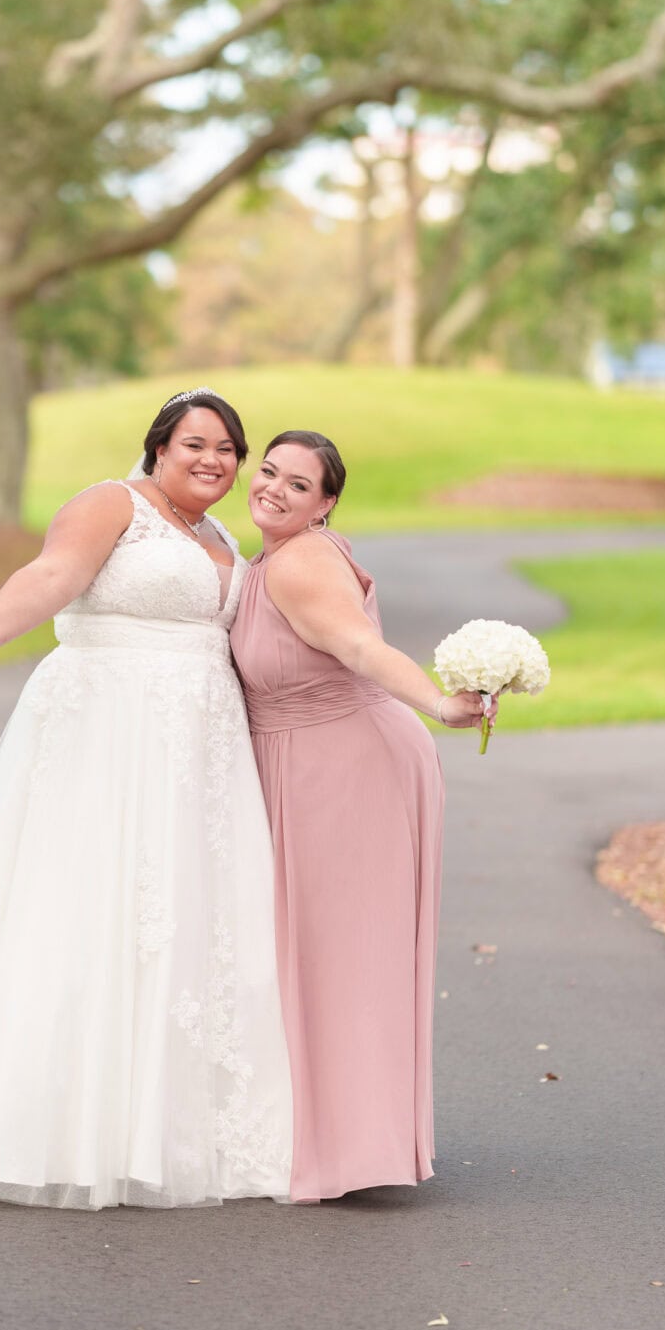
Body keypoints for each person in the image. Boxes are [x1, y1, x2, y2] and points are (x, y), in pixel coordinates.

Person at [0, 390, 293, 1210]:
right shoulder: (111, 505)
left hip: (200, 753)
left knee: (186, 924)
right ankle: (55, 1127)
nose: (213, 460)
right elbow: (49, 577)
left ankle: (176, 1131)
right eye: (195, 443)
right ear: (157, 447)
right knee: (86, 910)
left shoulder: (220, 537)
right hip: (108, 735)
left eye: (228, 448)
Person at [229, 430, 495, 1203]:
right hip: (315, 761)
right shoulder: (274, 558)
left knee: (343, 957)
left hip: (344, 767)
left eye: (298, 484)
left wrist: (443, 703)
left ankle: (353, 1149)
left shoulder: (305, 561)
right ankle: (336, 1134)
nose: (274, 489)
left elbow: (357, 645)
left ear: (327, 503)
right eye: (268, 472)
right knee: (318, 954)